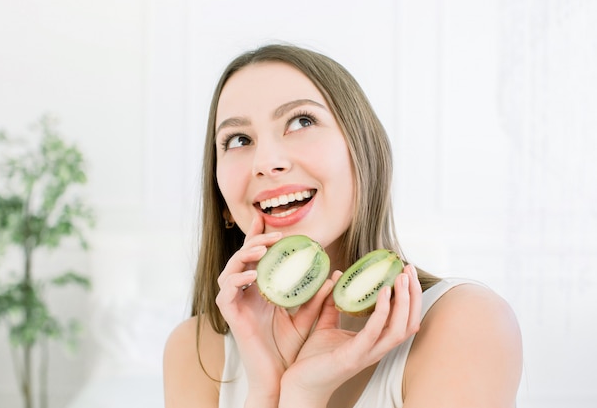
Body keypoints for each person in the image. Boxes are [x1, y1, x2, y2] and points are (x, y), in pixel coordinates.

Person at [163, 43, 523, 408]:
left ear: (363, 153)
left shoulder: (464, 323)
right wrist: (270, 389)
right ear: (223, 202)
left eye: (301, 121)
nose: (267, 161)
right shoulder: (194, 350)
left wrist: (304, 393)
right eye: (239, 140)